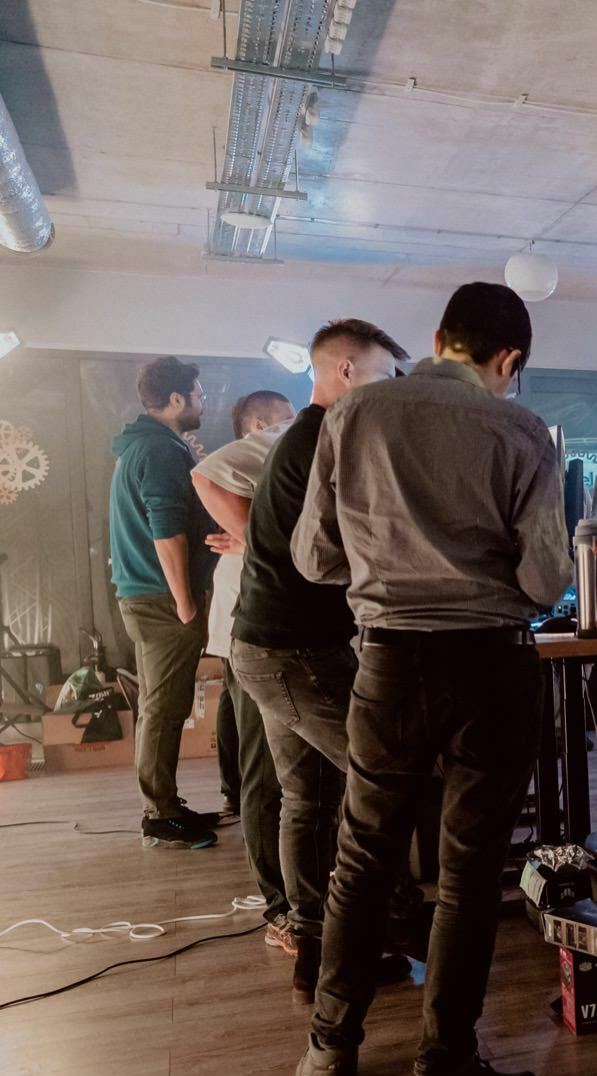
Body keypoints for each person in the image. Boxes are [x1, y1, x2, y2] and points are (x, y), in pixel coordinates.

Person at [291, 284, 570, 1076]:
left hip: (388, 664)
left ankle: (329, 1056)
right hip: (490, 666)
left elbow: (312, 557)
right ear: (508, 361)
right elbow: (546, 581)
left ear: (439, 337)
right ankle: (443, 1074)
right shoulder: (522, 431)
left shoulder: (354, 415)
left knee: (363, 857)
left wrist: (393, 567)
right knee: (468, 875)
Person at [229, 319, 408, 990]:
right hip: (292, 652)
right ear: (348, 373)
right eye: (387, 379)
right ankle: (388, 925)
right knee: (389, 776)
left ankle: (313, 952)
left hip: (268, 645)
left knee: (307, 796)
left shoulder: (309, 437)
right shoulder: (323, 441)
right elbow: (329, 557)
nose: (393, 394)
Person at [192, 390, 293, 945]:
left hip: (274, 639)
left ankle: (298, 895)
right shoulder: (243, 471)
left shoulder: (261, 496)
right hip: (249, 640)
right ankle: (279, 907)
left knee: (287, 775)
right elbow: (205, 474)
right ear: (259, 428)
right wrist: (258, 541)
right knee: (265, 776)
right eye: (285, 422)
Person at [109, 356, 221, 848]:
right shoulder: (159, 451)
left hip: (145, 596)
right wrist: (186, 604)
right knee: (165, 707)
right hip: (161, 599)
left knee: (159, 704)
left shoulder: (147, 446)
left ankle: (164, 805)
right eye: (198, 392)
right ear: (176, 399)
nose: (203, 400)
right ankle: (160, 812)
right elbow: (166, 530)